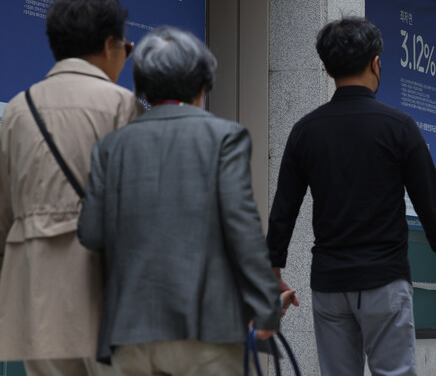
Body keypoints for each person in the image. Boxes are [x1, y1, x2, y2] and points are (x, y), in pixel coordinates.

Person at [77, 27, 290, 374]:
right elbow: (242, 229)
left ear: (143, 86)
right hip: (207, 329)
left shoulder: (110, 146)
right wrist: (265, 306)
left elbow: (91, 233)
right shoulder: (224, 137)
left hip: (129, 333)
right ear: (202, 84)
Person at [267, 17, 436, 375]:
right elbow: (429, 200)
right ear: (375, 62)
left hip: (330, 283)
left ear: (326, 69)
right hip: (384, 278)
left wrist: (274, 269)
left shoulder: (304, 132)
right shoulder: (399, 127)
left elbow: (283, 210)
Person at [0, 0, 141, 376]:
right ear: (109, 45)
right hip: (101, 284)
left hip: (33, 285)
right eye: (125, 47)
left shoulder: (17, 108)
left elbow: (4, 210)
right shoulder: (120, 104)